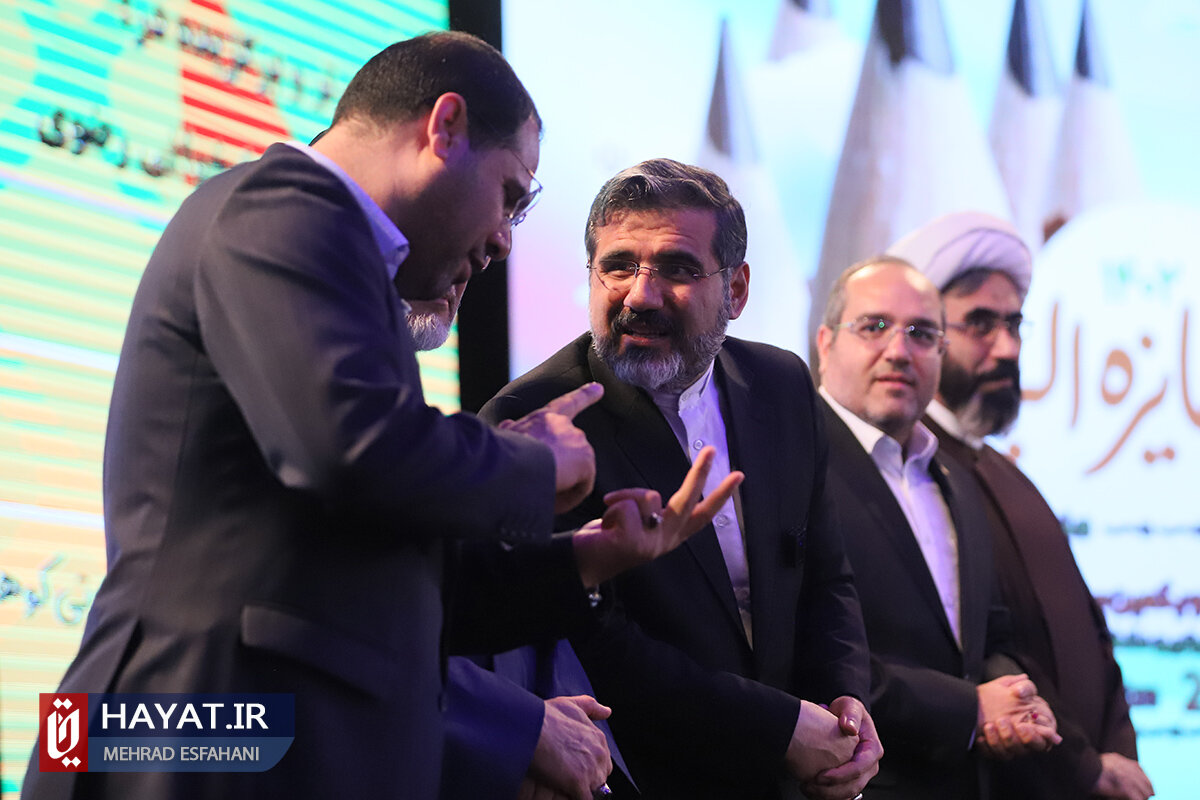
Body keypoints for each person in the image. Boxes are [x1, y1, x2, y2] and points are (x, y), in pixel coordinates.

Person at [23, 32, 694, 800]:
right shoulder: (283, 204)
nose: (504, 240)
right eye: (510, 195)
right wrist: (536, 461)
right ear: (445, 127)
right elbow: (352, 446)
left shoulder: (339, 261)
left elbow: (376, 568)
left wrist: (586, 555)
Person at [481, 158, 881, 800]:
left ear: (737, 290)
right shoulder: (535, 421)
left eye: (677, 269)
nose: (641, 296)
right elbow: (595, 646)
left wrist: (846, 707)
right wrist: (780, 729)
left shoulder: (782, 384)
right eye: (618, 266)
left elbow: (825, 578)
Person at [886, 212, 1153, 800]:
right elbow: (986, 651)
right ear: (927, 334)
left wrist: (1118, 752)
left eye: (1014, 324)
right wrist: (1083, 768)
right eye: (981, 324)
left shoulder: (1007, 473)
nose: (1006, 348)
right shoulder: (913, 475)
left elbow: (1092, 633)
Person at [814, 256, 1063, 799]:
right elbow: (806, 654)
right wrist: (971, 709)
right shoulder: (794, 465)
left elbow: (991, 631)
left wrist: (1016, 700)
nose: (898, 351)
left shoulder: (954, 476)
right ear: (826, 344)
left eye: (922, 334)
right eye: (874, 326)